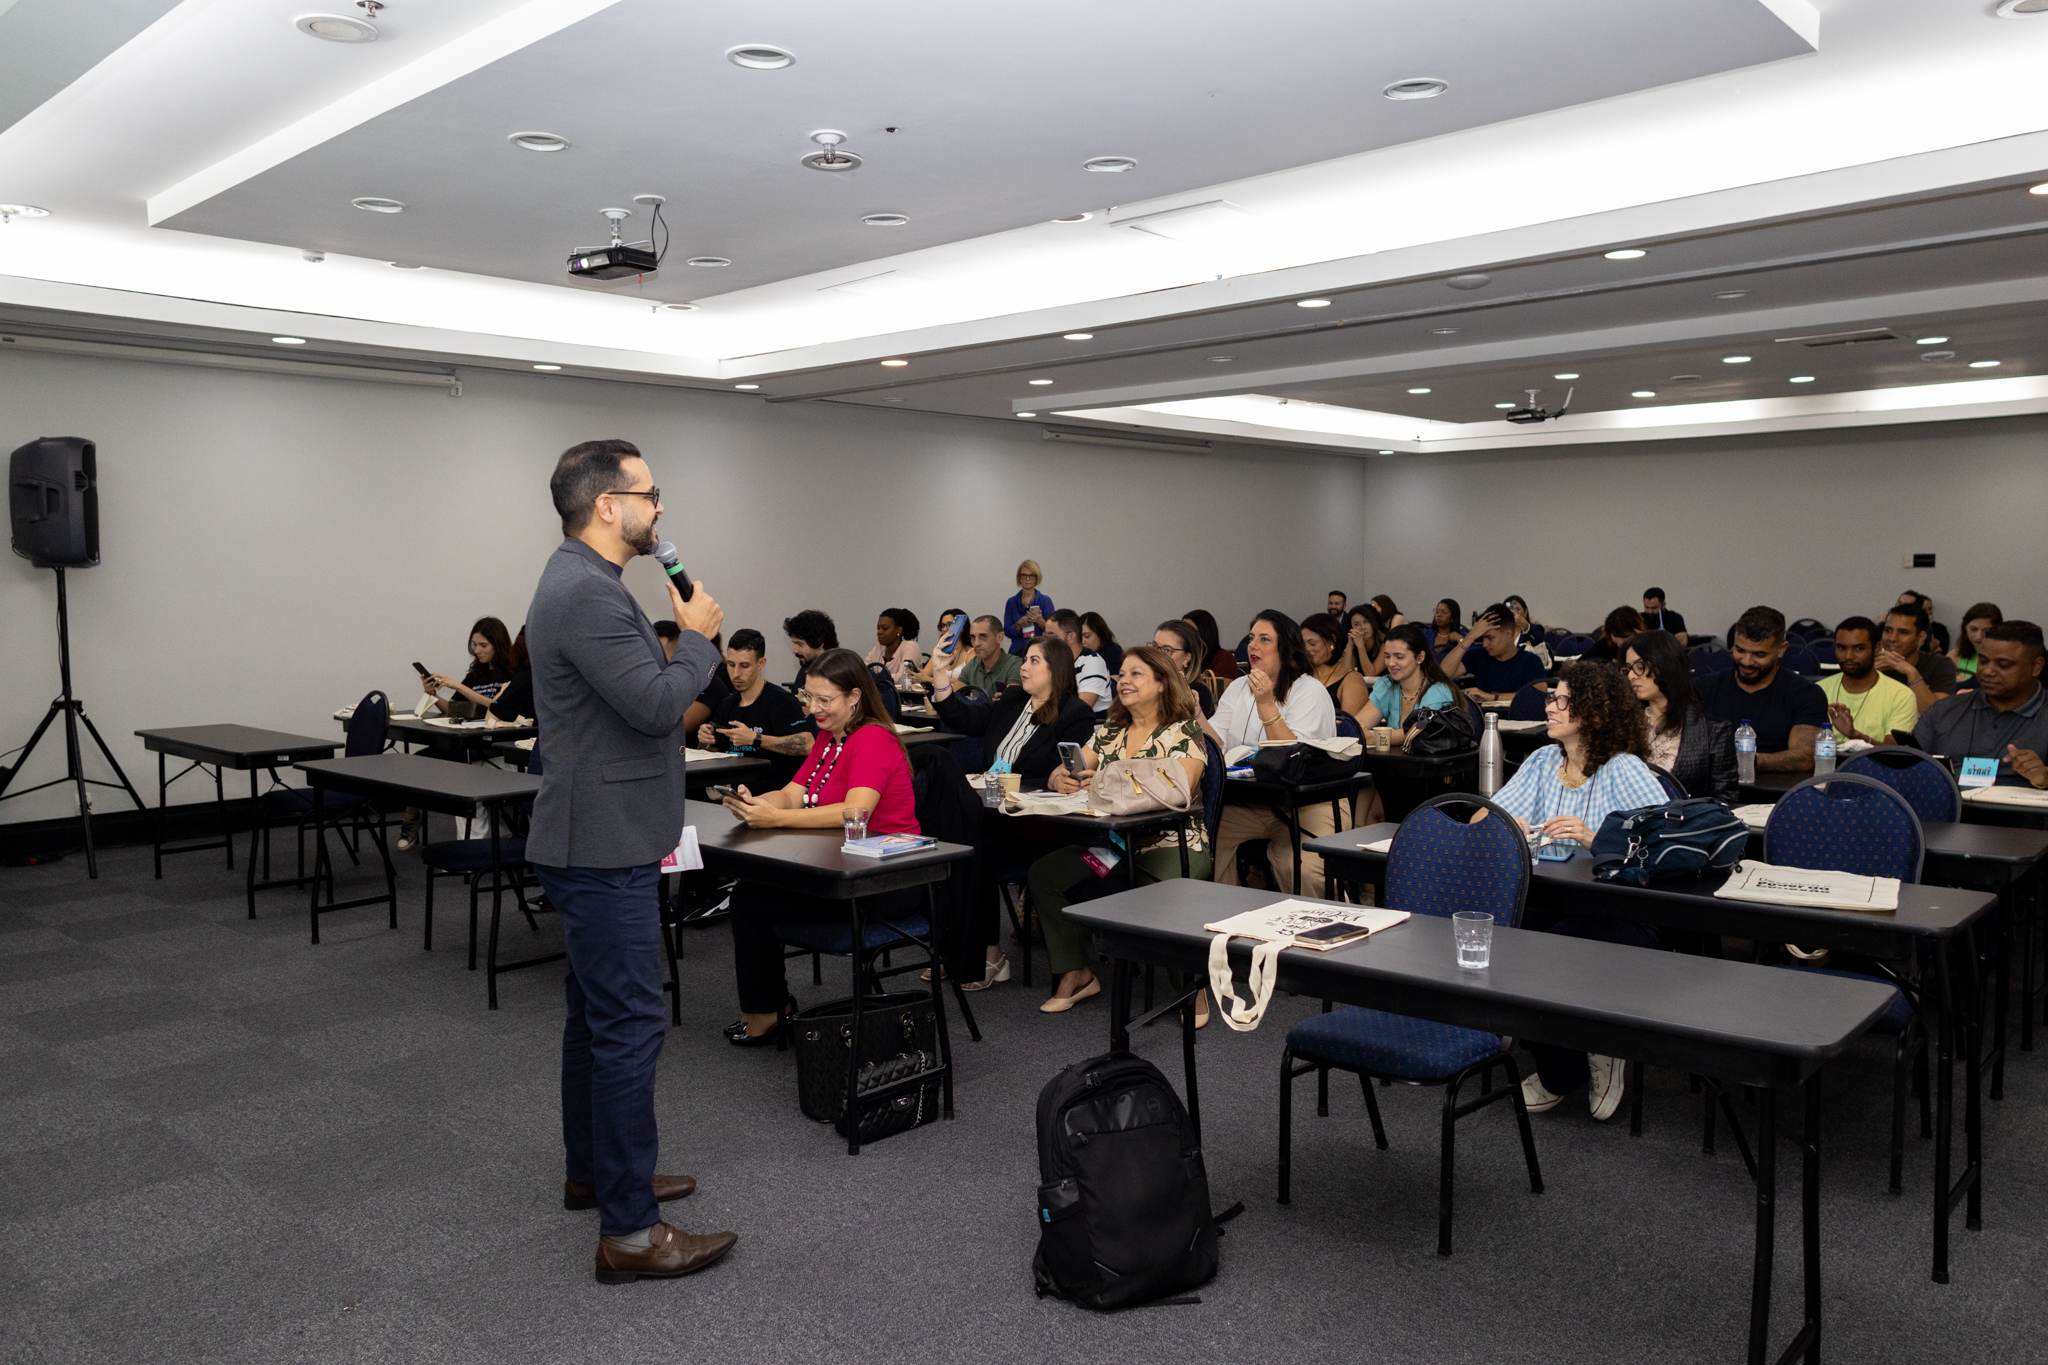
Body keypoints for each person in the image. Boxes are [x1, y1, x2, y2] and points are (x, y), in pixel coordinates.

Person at [524, 437, 736, 1283]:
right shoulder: (586, 594)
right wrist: (696, 641)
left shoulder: (584, 583)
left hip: (599, 833)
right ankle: (631, 1231)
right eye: (651, 494)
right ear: (608, 505)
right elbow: (654, 706)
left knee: (597, 1018)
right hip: (600, 843)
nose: (660, 509)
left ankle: (599, 1173)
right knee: (630, 1025)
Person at [1482, 664, 1667, 1120]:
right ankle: (1563, 1066)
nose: (1549, 706)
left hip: (1622, 913)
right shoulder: (1543, 761)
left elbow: (1662, 846)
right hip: (1552, 901)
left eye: (1562, 700)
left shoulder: (1624, 768)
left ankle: (1600, 1045)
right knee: (1507, 935)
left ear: (1594, 711)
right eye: (1552, 697)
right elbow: (1479, 820)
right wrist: (1507, 826)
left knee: (1551, 945)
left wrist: (1595, 840)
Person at [720, 650, 921, 1039]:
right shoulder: (830, 738)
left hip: (886, 881)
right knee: (750, 896)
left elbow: (855, 811)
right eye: (808, 698)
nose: (813, 709)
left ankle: (770, 1011)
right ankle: (770, 1007)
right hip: (842, 867)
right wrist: (758, 804)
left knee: (750, 901)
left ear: (855, 697)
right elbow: (794, 793)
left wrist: (775, 819)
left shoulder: (872, 739)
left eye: (824, 700)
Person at [1035, 645, 1214, 1015]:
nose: (1123, 681)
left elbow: (1180, 787)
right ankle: (1077, 973)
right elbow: (1070, 766)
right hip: (1115, 847)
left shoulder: (1184, 732)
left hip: (1173, 845)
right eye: (1121, 674)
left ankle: (1193, 987)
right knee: (1046, 875)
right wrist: (1059, 779)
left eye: (1136, 674)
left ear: (1162, 683)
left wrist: (1102, 779)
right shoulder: (1113, 729)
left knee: (1167, 897)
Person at [928, 635, 1095, 989]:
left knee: (975, 854)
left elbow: (1065, 776)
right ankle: (955, 949)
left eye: (1035, 661)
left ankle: (990, 954)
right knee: (951, 846)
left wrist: (1038, 781)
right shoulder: (1014, 699)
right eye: (1025, 660)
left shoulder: (1074, 713)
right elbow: (964, 718)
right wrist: (941, 674)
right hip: (991, 814)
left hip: (1033, 828)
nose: (1024, 666)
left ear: (1057, 671)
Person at [1210, 611, 1338, 895]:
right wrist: (1194, 715)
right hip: (1251, 801)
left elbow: (1294, 758)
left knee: (1304, 869)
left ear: (1287, 652)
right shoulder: (1237, 687)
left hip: (1306, 803)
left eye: (1264, 639)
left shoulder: (1310, 690)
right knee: (1201, 842)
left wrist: (1266, 703)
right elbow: (1217, 743)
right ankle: (1228, 922)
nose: (1252, 645)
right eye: (1251, 637)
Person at [1912, 621, 2048, 787]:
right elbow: (1907, 771)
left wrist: (2045, 779)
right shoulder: (1944, 710)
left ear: (2036, 666)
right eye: (1983, 661)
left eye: (2003, 665)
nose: (1988, 671)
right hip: (1949, 809)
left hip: (2021, 812)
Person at [1695, 605, 1827, 771]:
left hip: (1776, 794)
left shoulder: (1806, 694)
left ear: (1781, 649)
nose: (1747, 661)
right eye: (1740, 650)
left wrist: (1746, 761)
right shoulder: (1704, 688)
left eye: (1759, 655)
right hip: (1714, 793)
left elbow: (1805, 757)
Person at [1624, 629, 1736, 802]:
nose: (1631, 676)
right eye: (1629, 668)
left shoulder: (1714, 731)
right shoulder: (1623, 725)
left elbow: (1725, 799)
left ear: (1664, 665)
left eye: (1640, 667)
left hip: (1684, 825)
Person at [693, 629, 808, 790]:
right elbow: (714, 753)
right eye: (731, 665)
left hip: (772, 795)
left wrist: (755, 738)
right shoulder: (726, 705)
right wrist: (705, 742)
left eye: (744, 666)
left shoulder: (780, 701)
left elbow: (808, 744)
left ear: (761, 664)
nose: (736, 673)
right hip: (733, 795)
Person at [1819, 616, 1920, 746]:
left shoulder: (1901, 695)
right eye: (1842, 648)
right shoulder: (1818, 691)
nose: (1849, 656)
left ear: (1877, 648)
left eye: (1859, 648)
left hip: (1874, 766)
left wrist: (1856, 735)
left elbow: (1893, 753)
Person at [1356, 623, 1460, 733]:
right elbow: (1359, 724)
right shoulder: (1387, 685)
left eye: (1399, 657)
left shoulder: (1438, 691)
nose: (1391, 663)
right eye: (1387, 656)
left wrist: (1378, 738)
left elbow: (1421, 732)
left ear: (1420, 657)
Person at [1440, 604, 1546, 702]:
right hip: (1481, 720)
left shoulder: (1531, 661)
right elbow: (1442, 675)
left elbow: (1539, 694)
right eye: (1482, 638)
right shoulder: (1478, 655)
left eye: (1490, 638)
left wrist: (1493, 697)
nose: (1485, 644)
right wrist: (1470, 636)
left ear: (1508, 633)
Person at [422, 616, 515, 718]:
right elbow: (451, 709)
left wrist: (459, 686)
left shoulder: (513, 673)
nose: (477, 651)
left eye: (483, 645)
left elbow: (497, 707)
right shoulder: (475, 674)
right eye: (474, 644)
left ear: (498, 645)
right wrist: (432, 694)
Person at [1879, 603, 1958, 712]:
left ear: (1920, 638)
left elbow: (1936, 716)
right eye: (1888, 630)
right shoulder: (1871, 664)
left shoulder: (1939, 664)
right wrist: (1869, 674)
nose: (1892, 638)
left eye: (1903, 632)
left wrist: (1911, 673)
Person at [1300, 613, 1371, 730]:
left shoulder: (1351, 679)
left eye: (1312, 643)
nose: (1307, 649)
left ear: (1332, 641)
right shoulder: (1299, 676)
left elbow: (1349, 729)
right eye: (1303, 644)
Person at [1049, 609, 1112, 714]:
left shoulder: (1093, 663)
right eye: (1045, 635)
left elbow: (1079, 709)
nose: (1046, 641)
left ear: (1070, 637)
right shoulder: (1054, 661)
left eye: (1052, 636)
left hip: (1089, 727)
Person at [1153, 619, 1220, 717]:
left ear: (1186, 657)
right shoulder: (1145, 683)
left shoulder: (1197, 692)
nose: (1157, 655)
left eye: (1167, 650)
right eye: (1155, 647)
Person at [1004, 560, 1053, 657]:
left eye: (1031, 575)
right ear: (1019, 578)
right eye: (1024, 575)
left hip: (1040, 651)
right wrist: (1019, 624)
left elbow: (1053, 632)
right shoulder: (1011, 602)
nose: (1027, 579)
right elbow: (1007, 631)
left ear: (1036, 578)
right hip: (1016, 653)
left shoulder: (1045, 601)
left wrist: (1040, 621)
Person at [909, 608, 970, 686]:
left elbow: (967, 681)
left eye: (949, 625)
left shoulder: (971, 653)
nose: (944, 629)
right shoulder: (939, 651)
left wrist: (931, 680)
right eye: (942, 625)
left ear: (962, 627)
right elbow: (923, 676)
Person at [782, 609, 838, 691]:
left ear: (819, 642)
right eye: (794, 644)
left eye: (800, 644)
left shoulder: (838, 675)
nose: (794, 650)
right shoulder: (806, 669)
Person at [865, 607, 924, 685]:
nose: (879, 632)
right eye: (878, 628)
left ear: (898, 630)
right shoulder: (880, 647)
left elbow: (903, 678)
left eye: (885, 628)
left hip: (904, 696)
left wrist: (875, 676)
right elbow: (863, 670)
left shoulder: (911, 647)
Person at [1182, 608, 1239, 681]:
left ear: (1205, 632)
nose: (1184, 635)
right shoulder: (1182, 654)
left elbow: (1220, 689)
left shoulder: (1224, 658)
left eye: (1190, 631)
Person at [1951, 602, 2004, 679]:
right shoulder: (1954, 656)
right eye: (1973, 629)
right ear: (1965, 628)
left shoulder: (2007, 658)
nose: (1979, 636)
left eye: (1986, 631)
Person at [1341, 602, 1387, 680]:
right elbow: (1345, 673)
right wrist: (1350, 645)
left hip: (1385, 688)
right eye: (1356, 624)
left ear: (1372, 623)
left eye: (1366, 622)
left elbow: (1371, 674)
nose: (1362, 627)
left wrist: (1361, 646)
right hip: (1364, 688)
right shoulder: (1355, 644)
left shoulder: (1386, 643)